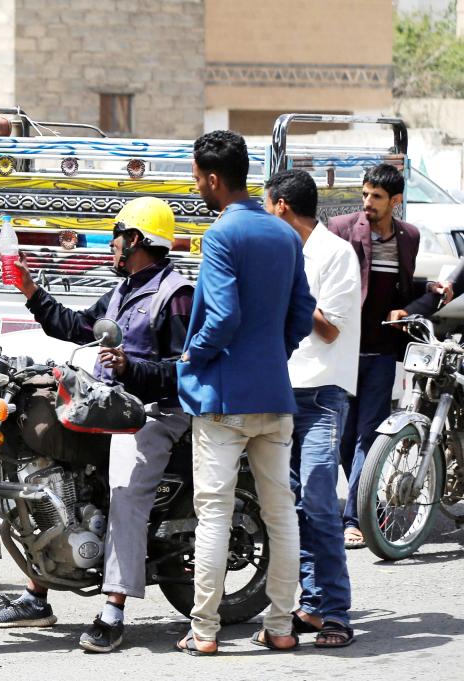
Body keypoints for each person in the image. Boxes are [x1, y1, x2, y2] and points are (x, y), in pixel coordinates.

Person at [0, 196, 194, 654]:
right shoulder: (121, 291)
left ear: (134, 239)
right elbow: (78, 326)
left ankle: (113, 611)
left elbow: (182, 370)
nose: (111, 248)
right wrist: (31, 292)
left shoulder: (174, 295)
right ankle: (39, 590)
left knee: (125, 489)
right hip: (108, 407)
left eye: (116, 238)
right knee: (39, 452)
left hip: (154, 414)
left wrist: (130, 366)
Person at [176, 130, 315, 656]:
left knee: (214, 515)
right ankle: (281, 625)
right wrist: (273, 352)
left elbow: (223, 315)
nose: (195, 188)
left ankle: (206, 631)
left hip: (224, 398)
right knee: (280, 513)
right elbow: (302, 312)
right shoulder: (283, 234)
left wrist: (196, 354)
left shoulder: (221, 236)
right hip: (275, 396)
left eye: (196, 179)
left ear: (214, 180)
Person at [264, 169, 360, 648]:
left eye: (266, 205)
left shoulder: (336, 253)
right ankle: (311, 605)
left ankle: (337, 611)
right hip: (281, 394)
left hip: (322, 396)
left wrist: (287, 295)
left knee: (320, 502)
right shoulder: (285, 251)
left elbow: (330, 329)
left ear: (281, 205)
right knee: (292, 507)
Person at [327, 164, 420, 550]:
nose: (367, 202)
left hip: (382, 352)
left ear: (395, 201)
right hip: (343, 351)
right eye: (365, 194)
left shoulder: (409, 237)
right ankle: (366, 507)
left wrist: (411, 308)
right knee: (346, 438)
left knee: (370, 433)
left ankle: (354, 518)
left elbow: (403, 290)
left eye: (376, 197)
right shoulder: (341, 228)